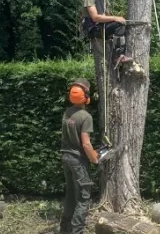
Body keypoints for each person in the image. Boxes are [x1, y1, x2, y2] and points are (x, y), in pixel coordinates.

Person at [60, 78, 100, 234]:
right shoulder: (85, 117)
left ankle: (65, 229)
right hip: (78, 160)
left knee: (70, 194)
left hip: (66, 157)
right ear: (86, 96)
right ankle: (77, 231)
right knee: (83, 197)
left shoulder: (67, 113)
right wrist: (95, 158)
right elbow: (86, 144)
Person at [82, 0, 133, 66]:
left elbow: (107, 14)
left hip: (101, 26)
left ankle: (121, 54)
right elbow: (95, 18)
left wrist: (115, 19)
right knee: (119, 24)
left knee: (123, 26)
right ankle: (118, 56)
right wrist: (115, 18)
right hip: (93, 28)